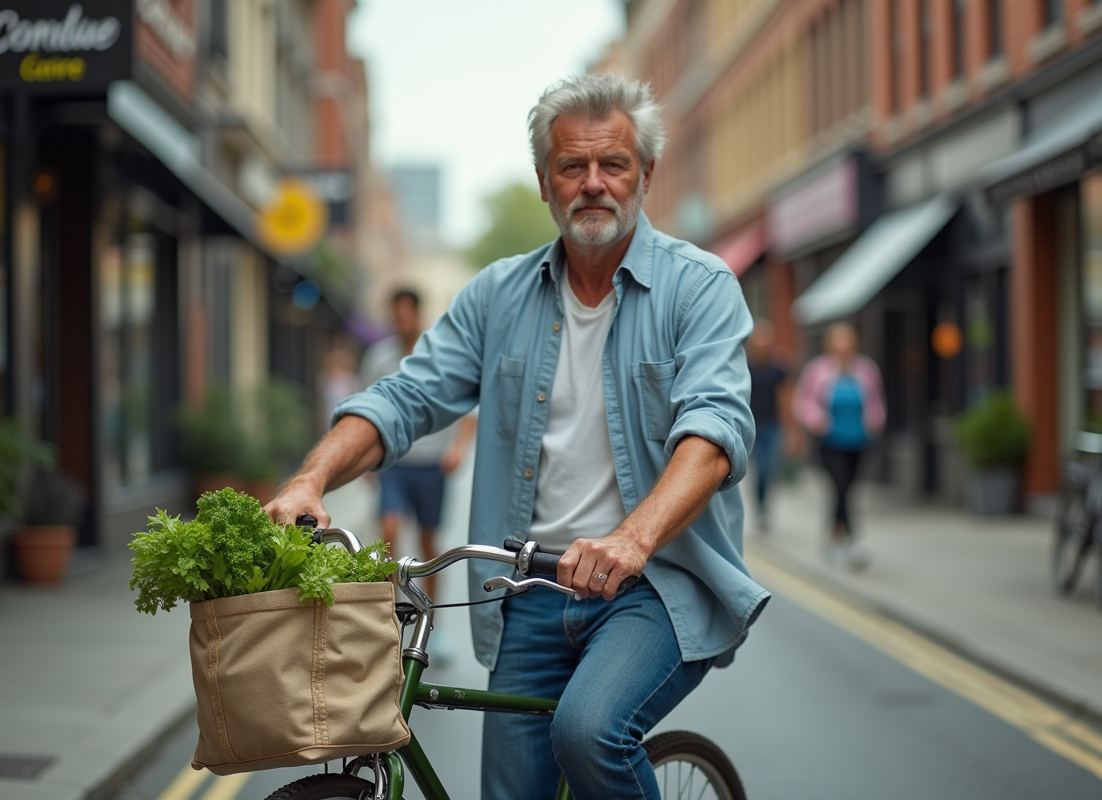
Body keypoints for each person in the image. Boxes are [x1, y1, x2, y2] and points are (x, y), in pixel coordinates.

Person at [265, 73, 768, 800]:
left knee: (588, 732)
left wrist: (631, 539)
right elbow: (405, 398)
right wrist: (310, 479)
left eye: (614, 165)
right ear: (543, 180)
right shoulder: (497, 295)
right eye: (572, 167)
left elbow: (714, 430)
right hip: (524, 591)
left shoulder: (702, 287)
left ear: (646, 175)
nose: (593, 184)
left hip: (652, 585)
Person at [359, 289, 476, 617]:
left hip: (431, 466)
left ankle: (430, 614)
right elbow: (366, 410)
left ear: (417, 314)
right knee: (389, 534)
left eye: (404, 315)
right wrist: (366, 461)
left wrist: (457, 448)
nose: (399, 322)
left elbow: (469, 408)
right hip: (393, 463)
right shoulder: (379, 359)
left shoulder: (439, 357)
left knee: (428, 545)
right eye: (394, 316)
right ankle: (389, 613)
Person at [795, 323, 885, 570]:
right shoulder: (818, 369)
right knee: (840, 487)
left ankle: (836, 538)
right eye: (840, 343)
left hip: (859, 440)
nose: (844, 348)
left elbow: (876, 401)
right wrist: (815, 419)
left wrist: (876, 420)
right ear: (831, 345)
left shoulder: (867, 369)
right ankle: (852, 540)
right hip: (830, 440)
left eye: (849, 343)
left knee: (849, 490)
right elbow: (803, 402)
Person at [745, 319, 792, 531]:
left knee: (771, 468)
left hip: (773, 425)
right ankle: (761, 507)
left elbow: (785, 397)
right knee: (760, 469)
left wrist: (791, 429)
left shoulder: (778, 368)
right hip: (753, 427)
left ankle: (765, 506)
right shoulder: (746, 367)